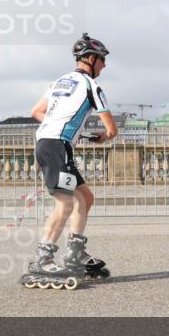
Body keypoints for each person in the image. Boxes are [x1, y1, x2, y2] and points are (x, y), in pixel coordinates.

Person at [23, 33, 118, 289]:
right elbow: (112, 130)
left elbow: (36, 112)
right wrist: (101, 137)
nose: (104, 65)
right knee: (65, 202)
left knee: (85, 198)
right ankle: (43, 257)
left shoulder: (59, 81)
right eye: (102, 60)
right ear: (90, 59)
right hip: (57, 145)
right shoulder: (91, 86)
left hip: (50, 142)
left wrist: (60, 126)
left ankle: (75, 251)